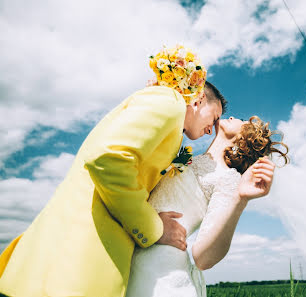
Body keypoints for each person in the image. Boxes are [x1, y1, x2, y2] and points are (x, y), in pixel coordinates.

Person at [0, 45, 225, 297]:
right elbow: (108, 160)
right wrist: (154, 228)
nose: (211, 129)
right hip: (80, 255)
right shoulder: (169, 101)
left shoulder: (169, 125)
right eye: (214, 118)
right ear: (199, 99)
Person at [125, 116, 289, 297]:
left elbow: (203, 259)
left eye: (242, 120)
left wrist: (240, 200)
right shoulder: (187, 157)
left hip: (158, 267)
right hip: (129, 248)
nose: (233, 116)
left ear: (247, 137)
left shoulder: (229, 178)